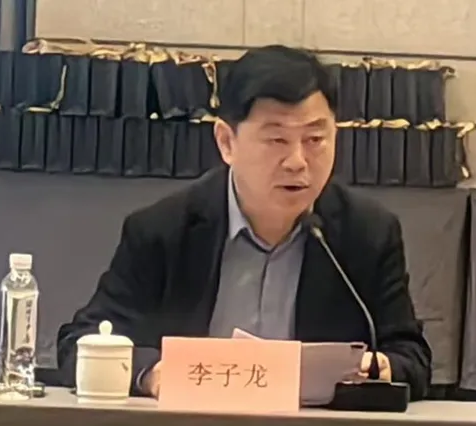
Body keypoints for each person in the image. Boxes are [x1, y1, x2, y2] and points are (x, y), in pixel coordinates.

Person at [57, 45, 432, 401]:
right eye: (277, 140)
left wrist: (378, 367)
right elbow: (80, 344)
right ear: (226, 142)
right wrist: (152, 373)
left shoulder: (367, 234)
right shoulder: (163, 231)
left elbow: (411, 358)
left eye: (315, 138)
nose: (297, 161)